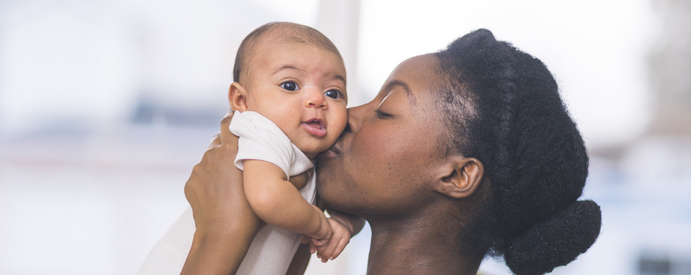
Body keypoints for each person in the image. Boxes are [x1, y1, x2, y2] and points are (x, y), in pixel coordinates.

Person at [183, 28, 603, 275]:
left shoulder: (226, 226)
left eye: (385, 110)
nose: (345, 115)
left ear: (458, 176)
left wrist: (220, 233)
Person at [138, 22, 364, 275]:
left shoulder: (319, 153)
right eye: (290, 85)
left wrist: (344, 223)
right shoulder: (263, 130)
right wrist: (322, 226)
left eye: (333, 93)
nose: (318, 100)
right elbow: (267, 196)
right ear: (241, 101)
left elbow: (358, 203)